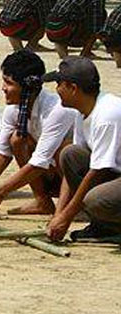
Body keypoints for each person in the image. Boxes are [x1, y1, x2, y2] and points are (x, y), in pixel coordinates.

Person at [0, 51, 81, 218]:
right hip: (51, 173)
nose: (3, 88)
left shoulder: (58, 110)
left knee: (64, 150)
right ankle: (42, 201)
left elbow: (40, 162)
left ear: (27, 88)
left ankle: (71, 205)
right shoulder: (13, 110)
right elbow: (2, 151)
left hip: (77, 174)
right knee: (16, 140)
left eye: (8, 83)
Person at [44, 58, 121, 242]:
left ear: (73, 88)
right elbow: (75, 168)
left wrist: (66, 218)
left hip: (111, 173)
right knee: (69, 154)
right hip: (115, 172)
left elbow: (98, 171)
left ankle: (114, 228)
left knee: (95, 200)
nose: (56, 90)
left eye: (59, 84)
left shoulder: (107, 114)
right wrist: (59, 214)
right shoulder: (83, 110)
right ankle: (102, 226)